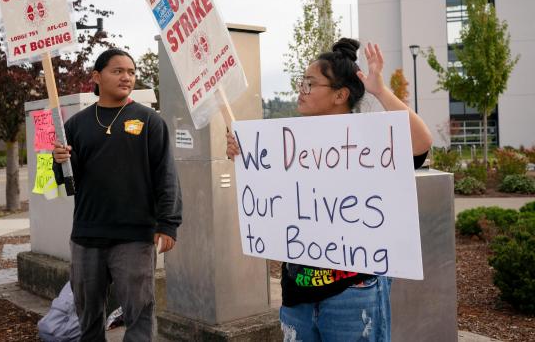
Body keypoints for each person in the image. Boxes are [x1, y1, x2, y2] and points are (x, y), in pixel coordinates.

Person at [226, 38, 432, 342]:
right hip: (297, 295)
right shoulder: (288, 143)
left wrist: (379, 90)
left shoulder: (369, 140)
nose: (301, 89)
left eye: (311, 84)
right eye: (301, 82)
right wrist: (246, 158)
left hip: (352, 294)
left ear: (340, 94)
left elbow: (421, 143)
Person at [52, 48, 182, 341]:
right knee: (88, 316)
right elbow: (67, 184)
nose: (126, 77)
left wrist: (168, 223)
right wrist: (59, 161)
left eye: (131, 72)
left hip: (135, 237)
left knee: (140, 313)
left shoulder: (150, 121)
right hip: (87, 236)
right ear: (97, 77)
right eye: (118, 71)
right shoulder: (76, 125)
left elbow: (166, 175)